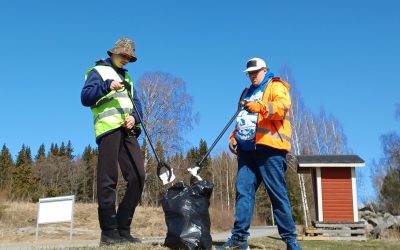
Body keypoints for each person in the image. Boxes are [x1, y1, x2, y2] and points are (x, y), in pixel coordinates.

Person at [221, 58, 302, 250]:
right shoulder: (246, 92)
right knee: (243, 194)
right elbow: (242, 118)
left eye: (256, 72)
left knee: (277, 195)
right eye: (249, 73)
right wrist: (234, 136)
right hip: (247, 152)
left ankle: (291, 241)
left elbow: (282, 107)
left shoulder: (276, 86)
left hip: (270, 150)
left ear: (265, 70)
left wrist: (261, 107)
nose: (252, 75)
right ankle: (239, 239)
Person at [81, 38, 145, 246]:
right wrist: (107, 86)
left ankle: (123, 228)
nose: (126, 59)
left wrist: (135, 117)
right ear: (114, 52)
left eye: (129, 57)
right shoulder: (97, 71)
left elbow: (137, 104)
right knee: (108, 179)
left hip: (128, 131)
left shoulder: (129, 78)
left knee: (138, 176)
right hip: (108, 129)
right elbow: (86, 97)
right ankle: (109, 232)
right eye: (123, 55)